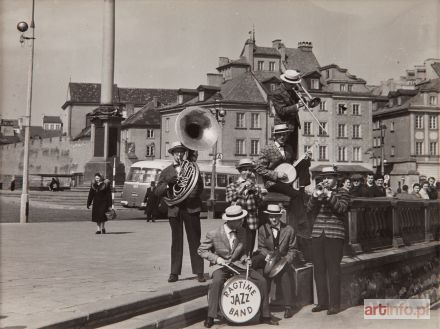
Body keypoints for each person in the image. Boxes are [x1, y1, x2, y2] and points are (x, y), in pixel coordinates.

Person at [198, 205, 279, 328]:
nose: (242, 221)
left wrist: (246, 259)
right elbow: (201, 250)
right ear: (230, 221)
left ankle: (265, 315)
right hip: (220, 266)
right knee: (217, 281)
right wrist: (217, 259)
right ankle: (211, 316)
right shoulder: (213, 234)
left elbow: (243, 253)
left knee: (261, 280)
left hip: (237, 264)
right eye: (240, 219)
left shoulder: (242, 231)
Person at [155, 141, 205, 283]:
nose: (180, 155)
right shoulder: (166, 172)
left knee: (195, 241)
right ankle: (174, 272)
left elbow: (199, 187)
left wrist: (187, 195)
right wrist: (168, 183)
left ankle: (199, 272)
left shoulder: (193, 168)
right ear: (172, 154)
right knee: (176, 242)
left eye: (182, 152)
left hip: (191, 207)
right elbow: (157, 191)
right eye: (177, 152)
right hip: (174, 210)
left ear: (185, 153)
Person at [307, 166, 350, 315]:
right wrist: (314, 196)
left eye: (329, 177)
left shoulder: (343, 192)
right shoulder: (319, 191)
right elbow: (309, 209)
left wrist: (329, 195)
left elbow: (342, 209)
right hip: (318, 233)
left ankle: (335, 305)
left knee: (333, 270)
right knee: (318, 269)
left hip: (335, 234)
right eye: (324, 178)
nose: (325, 180)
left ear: (336, 179)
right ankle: (323, 302)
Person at [254, 124, 307, 233]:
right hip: (272, 183)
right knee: (296, 194)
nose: (282, 137)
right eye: (280, 135)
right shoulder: (267, 149)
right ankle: (302, 221)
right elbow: (259, 168)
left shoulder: (289, 148)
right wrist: (276, 174)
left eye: (285, 134)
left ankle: (292, 224)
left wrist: (303, 160)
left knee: (300, 193)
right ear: (275, 136)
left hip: (287, 182)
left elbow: (291, 167)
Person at [252, 204, 298, 319]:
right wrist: (268, 255)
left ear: (280, 216)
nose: (273, 219)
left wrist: (286, 260)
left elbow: (293, 249)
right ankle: (263, 306)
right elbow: (261, 247)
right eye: (271, 216)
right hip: (269, 260)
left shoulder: (289, 230)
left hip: (283, 260)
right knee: (263, 274)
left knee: (285, 275)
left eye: (276, 216)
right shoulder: (262, 229)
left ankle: (288, 307)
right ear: (268, 217)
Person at [226, 158, 264, 251]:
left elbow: (260, 203)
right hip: (237, 220)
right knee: (237, 245)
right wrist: (241, 188)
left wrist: (254, 191)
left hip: (251, 220)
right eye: (244, 170)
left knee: (250, 245)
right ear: (240, 171)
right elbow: (229, 199)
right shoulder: (232, 185)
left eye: (250, 170)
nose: (247, 172)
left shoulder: (255, 187)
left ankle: (248, 262)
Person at [271, 69, 304, 160]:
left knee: (293, 151)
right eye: (291, 84)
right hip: (283, 126)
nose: (294, 86)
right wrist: (297, 106)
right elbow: (281, 111)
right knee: (284, 152)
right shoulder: (277, 93)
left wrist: (303, 99)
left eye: (294, 83)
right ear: (285, 82)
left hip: (293, 125)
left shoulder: (293, 90)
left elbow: (299, 101)